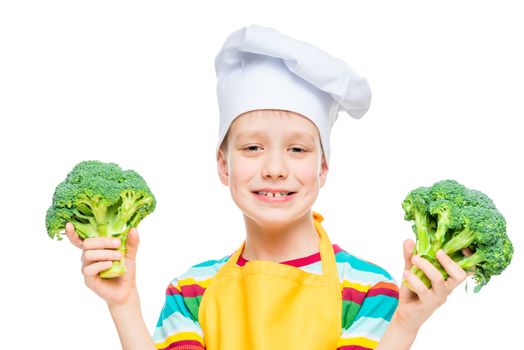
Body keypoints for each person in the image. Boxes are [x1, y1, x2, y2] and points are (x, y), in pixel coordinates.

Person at [65, 24, 469, 350]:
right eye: (253, 147)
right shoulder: (191, 290)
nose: (275, 169)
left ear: (323, 167)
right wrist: (124, 305)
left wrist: (404, 327)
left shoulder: (368, 290)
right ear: (224, 165)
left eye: (296, 148)